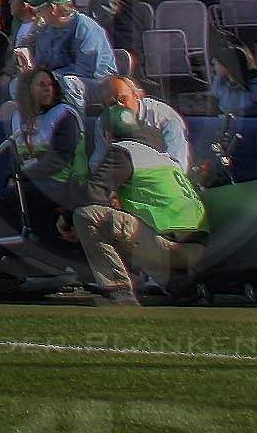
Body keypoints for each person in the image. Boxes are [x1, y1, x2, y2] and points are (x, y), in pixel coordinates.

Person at [70, 104, 209, 306]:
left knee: (87, 215)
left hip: (170, 245)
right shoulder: (163, 157)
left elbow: (93, 194)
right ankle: (182, 287)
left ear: (108, 134)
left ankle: (117, 291)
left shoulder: (122, 151)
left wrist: (66, 220)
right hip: (198, 248)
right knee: (131, 228)